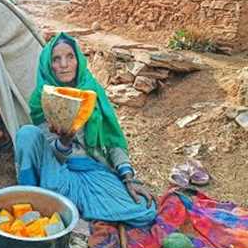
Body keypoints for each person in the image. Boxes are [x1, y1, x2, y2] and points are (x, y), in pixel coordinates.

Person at [15, 32, 157, 227]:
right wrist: (64, 142)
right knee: (26, 133)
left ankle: (63, 207)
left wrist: (128, 178)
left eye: (70, 57)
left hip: (92, 169)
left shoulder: (93, 91)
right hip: (56, 173)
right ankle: (29, 198)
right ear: (49, 65)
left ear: (78, 61)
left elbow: (112, 140)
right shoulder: (42, 97)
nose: (64, 64)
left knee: (144, 212)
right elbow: (49, 152)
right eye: (56, 59)